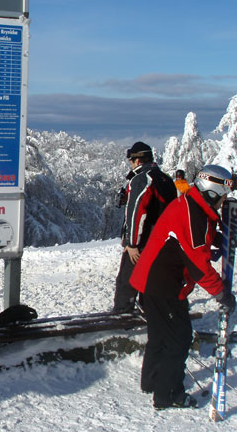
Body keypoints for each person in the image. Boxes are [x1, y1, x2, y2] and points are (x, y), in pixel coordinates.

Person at [130, 164, 236, 410]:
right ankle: (167, 394)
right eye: (223, 196)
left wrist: (220, 238)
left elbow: (192, 241)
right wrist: (222, 294)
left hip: (153, 279)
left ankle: (152, 382)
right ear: (212, 192)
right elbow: (200, 266)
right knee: (179, 338)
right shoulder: (194, 215)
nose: (223, 201)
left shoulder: (193, 203)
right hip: (163, 284)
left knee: (159, 336)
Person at [112, 141, 177, 313]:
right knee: (151, 279)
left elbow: (137, 213)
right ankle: (150, 311)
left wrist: (131, 243)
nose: (130, 164)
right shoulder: (166, 179)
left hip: (143, 242)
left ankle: (122, 315)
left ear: (137, 160)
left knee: (127, 280)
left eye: (131, 161)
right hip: (163, 241)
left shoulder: (142, 179)